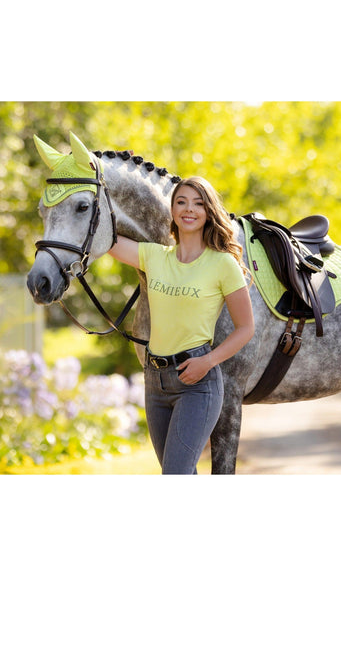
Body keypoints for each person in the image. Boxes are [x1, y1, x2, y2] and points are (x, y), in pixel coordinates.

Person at [108, 176, 255, 474]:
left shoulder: (222, 264)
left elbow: (245, 328)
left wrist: (208, 361)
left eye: (198, 203)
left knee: (175, 474)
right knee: (179, 473)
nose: (189, 209)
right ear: (172, 209)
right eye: (181, 202)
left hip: (196, 383)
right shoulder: (154, 256)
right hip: (155, 381)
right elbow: (105, 239)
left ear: (209, 212)